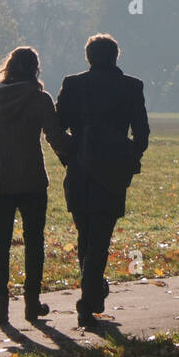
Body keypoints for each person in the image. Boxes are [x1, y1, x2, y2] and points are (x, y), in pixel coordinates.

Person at [0, 46, 72, 326]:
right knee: (34, 244)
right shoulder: (39, 99)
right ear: (35, 69)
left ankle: (0, 306)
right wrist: (77, 156)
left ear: (10, 66)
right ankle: (31, 303)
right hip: (31, 181)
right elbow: (55, 137)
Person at [55, 34, 150, 330]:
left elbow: (58, 128)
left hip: (80, 169)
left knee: (86, 235)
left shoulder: (73, 84)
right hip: (112, 172)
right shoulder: (132, 87)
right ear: (116, 56)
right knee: (100, 236)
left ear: (88, 57)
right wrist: (127, 156)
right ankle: (89, 297)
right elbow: (142, 133)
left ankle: (92, 293)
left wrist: (70, 155)